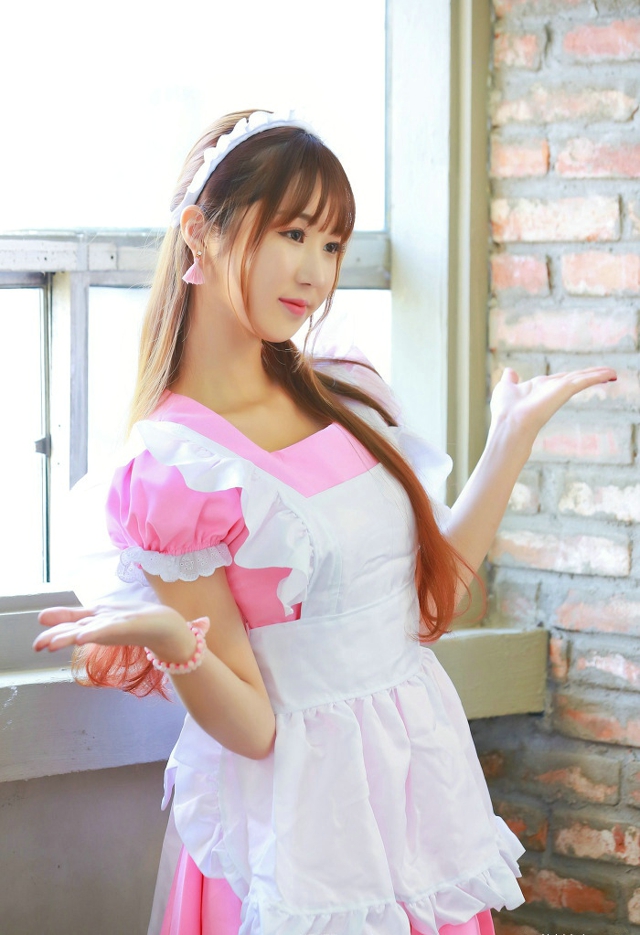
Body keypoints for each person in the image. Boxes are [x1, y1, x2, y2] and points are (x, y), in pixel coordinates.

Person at [34, 109, 617, 935]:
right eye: (293, 233)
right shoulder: (177, 471)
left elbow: (427, 607)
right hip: (297, 845)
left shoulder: (348, 393)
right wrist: (172, 639)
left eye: (333, 243)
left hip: (415, 813)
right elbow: (254, 728)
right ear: (200, 233)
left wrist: (509, 440)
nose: (315, 270)